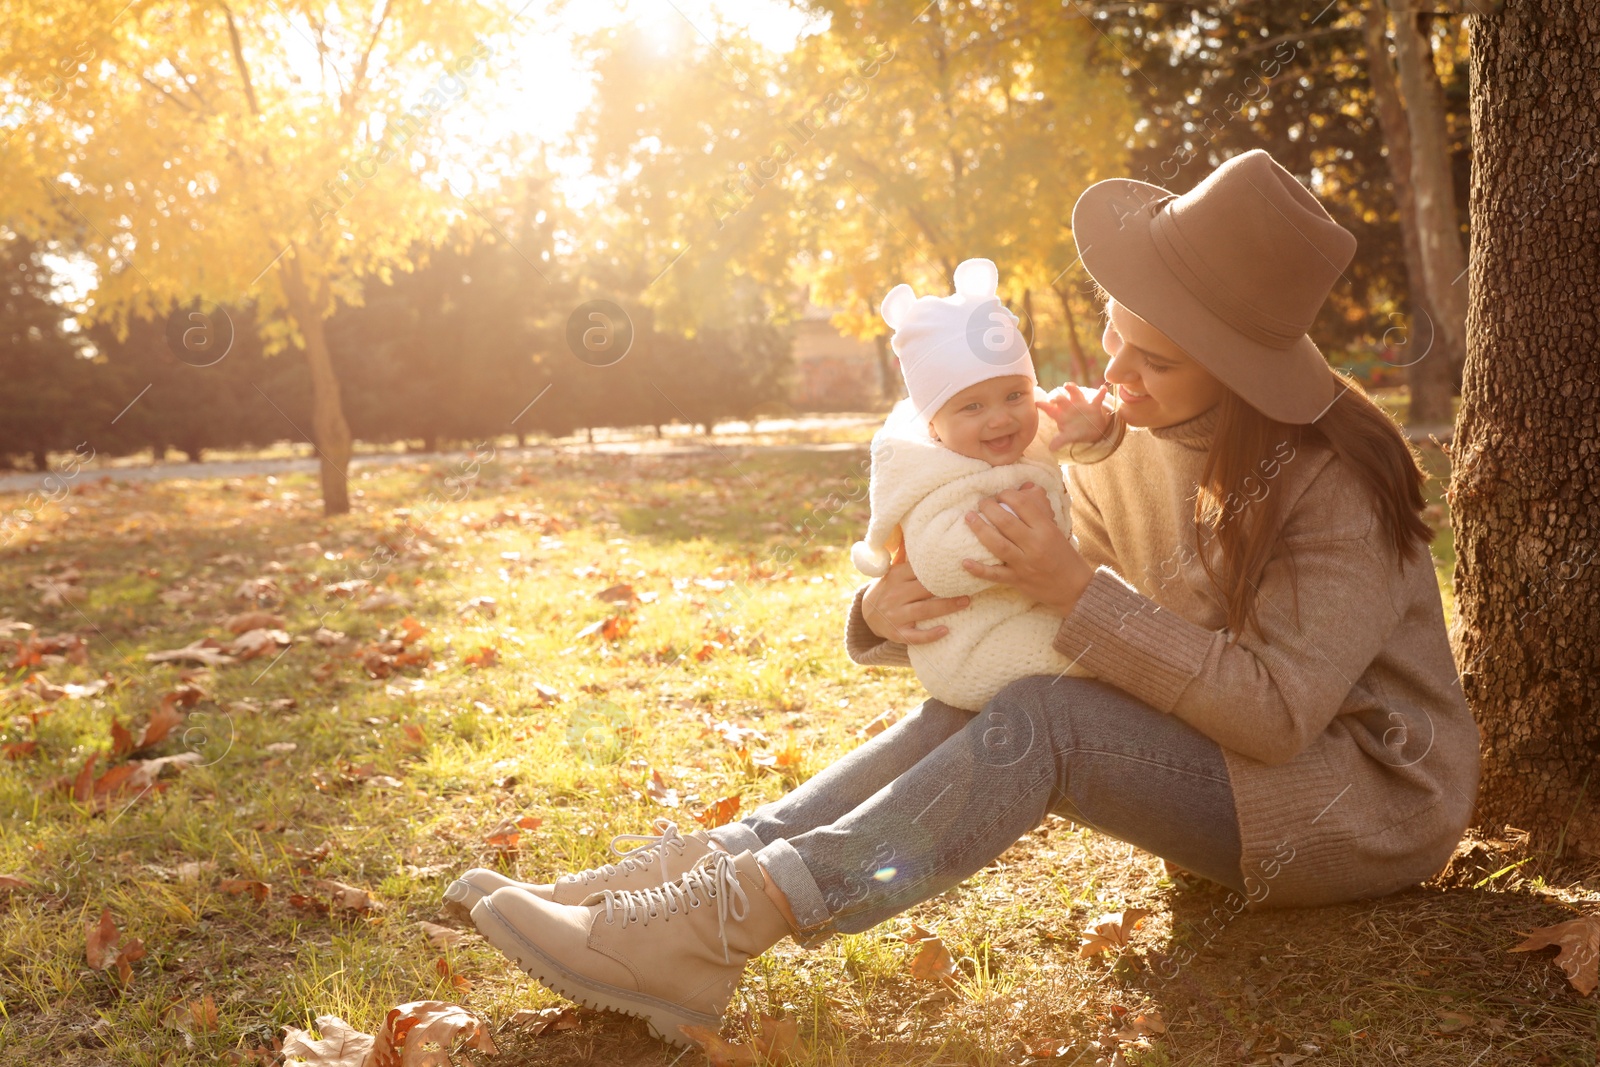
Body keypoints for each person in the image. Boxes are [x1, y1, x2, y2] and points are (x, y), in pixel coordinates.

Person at [453, 148, 1481, 1049]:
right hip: (1228, 761)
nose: (1115, 376)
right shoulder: (1125, 437)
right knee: (993, 698)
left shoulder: (1332, 481)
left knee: (1047, 718)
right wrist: (885, 605)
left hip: (1351, 799)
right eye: (1114, 339)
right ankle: (688, 880)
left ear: (1241, 367)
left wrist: (1075, 588)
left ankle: (715, 929)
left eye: (1153, 361)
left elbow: (1274, 709)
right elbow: (1046, 608)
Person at [849, 255, 1119, 710]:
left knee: (1099, 644)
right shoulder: (932, 474)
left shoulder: (1026, 438)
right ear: (934, 424)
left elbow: (1077, 442)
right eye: (971, 407)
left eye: (1015, 395)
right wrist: (1026, 524)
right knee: (1102, 650)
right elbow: (937, 564)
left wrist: (1097, 425)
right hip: (971, 649)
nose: (1000, 418)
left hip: (1032, 612)